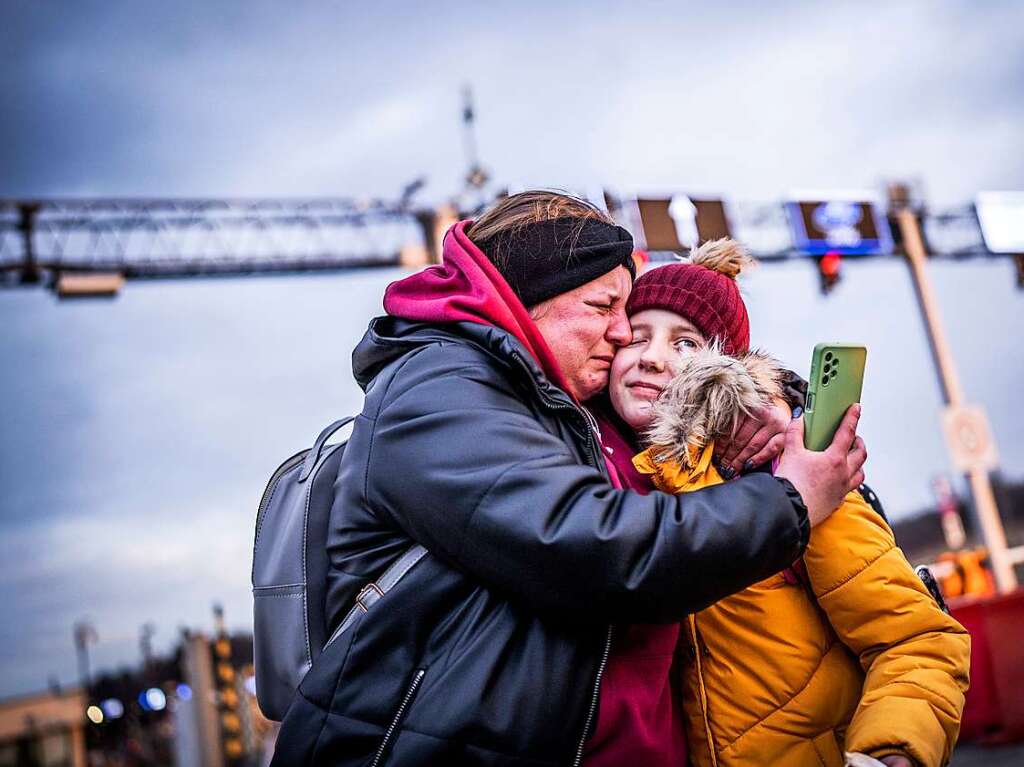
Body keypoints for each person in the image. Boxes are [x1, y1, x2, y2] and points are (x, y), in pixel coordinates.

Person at [270, 192, 867, 766]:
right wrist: (791, 499)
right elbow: (596, 546)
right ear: (525, 296)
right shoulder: (439, 391)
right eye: (603, 307)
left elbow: (675, 410)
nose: (621, 333)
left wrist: (750, 405)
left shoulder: (547, 402)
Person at [606, 238, 970, 767]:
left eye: (686, 344)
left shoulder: (787, 470)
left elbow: (917, 640)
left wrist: (886, 754)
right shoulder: (613, 478)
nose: (653, 358)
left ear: (725, 369)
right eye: (637, 337)